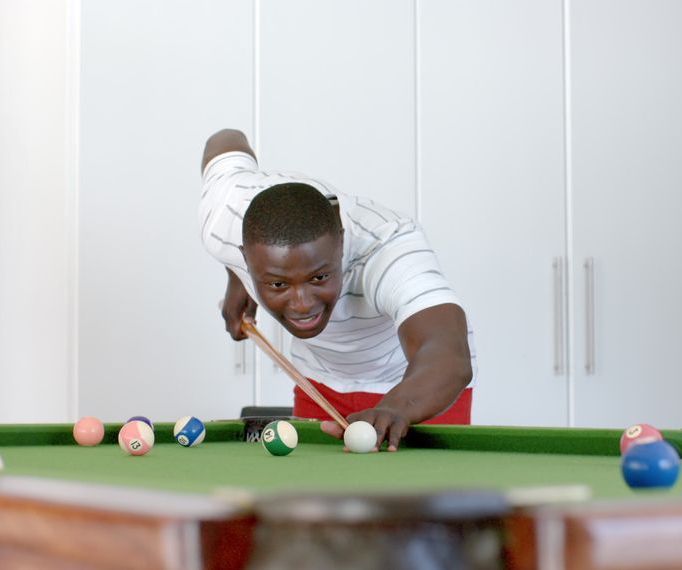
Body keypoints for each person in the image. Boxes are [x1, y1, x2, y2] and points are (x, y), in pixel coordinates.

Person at [200, 129, 476, 451]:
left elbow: (448, 355)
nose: (302, 305)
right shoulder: (224, 217)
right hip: (319, 381)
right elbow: (225, 139)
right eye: (278, 283)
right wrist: (238, 279)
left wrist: (396, 407)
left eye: (318, 278)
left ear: (341, 242)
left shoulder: (388, 248)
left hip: (415, 387)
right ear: (244, 255)